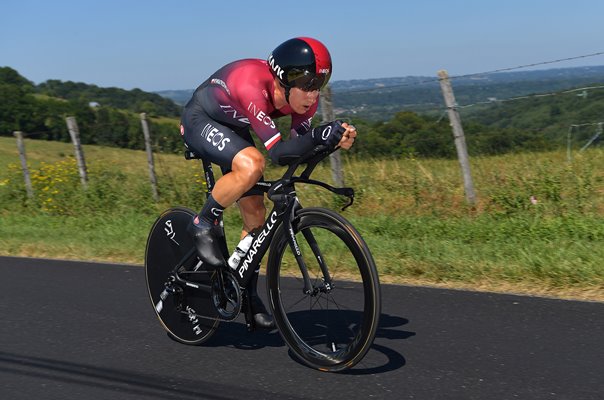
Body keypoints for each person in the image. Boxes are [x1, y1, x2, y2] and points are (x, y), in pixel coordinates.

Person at [180, 37, 357, 329]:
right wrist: (319, 135)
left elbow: (298, 149)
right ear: (284, 80)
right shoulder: (252, 86)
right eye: (308, 85)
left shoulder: (303, 102)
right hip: (200, 119)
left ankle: (245, 293)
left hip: (234, 127)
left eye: (319, 86)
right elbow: (277, 154)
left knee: (256, 219)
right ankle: (202, 223)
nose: (313, 96)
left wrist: (332, 141)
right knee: (253, 163)